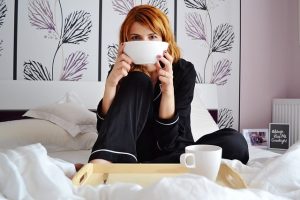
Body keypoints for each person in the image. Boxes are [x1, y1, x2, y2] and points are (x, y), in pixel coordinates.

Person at [88, 4, 249, 165]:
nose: (145, 43)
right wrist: (110, 85)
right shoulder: (121, 70)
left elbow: (169, 141)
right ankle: (109, 163)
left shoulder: (183, 71)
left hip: (177, 150)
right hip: (132, 151)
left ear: (165, 40)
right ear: (126, 43)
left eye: (152, 37)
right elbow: (107, 133)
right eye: (136, 38)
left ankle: (141, 168)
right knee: (138, 79)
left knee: (235, 143)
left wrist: (168, 91)